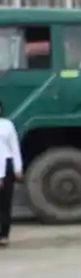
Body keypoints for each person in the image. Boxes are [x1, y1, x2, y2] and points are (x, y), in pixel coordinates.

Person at [0, 100, 22, 247]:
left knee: (5, 202)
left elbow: (14, 147)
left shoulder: (7, 125)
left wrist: (18, 168)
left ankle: (4, 235)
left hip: (6, 165)